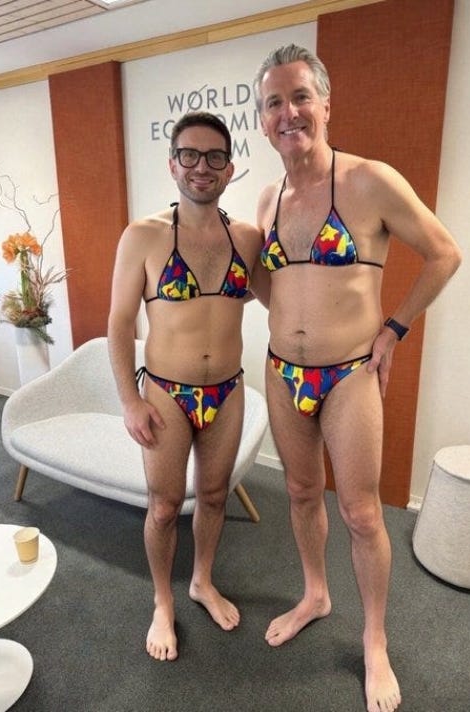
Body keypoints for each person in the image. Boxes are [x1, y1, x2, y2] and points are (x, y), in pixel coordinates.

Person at [252, 44, 461, 712]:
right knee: (300, 492)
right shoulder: (268, 197)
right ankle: (315, 593)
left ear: (325, 104)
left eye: (300, 97)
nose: (288, 113)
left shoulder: (370, 180)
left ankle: (374, 640)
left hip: (349, 375)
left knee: (362, 513)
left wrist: (393, 328)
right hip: (281, 371)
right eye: (274, 103)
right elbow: (267, 282)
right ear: (262, 120)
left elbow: (444, 253)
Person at [107, 111, 262, 662]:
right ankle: (162, 601)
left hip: (228, 390)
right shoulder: (143, 236)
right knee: (165, 506)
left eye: (215, 157)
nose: (202, 167)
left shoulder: (247, 238)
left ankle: (201, 581)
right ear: (173, 164)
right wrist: (130, 401)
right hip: (166, 393)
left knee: (215, 496)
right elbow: (119, 324)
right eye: (189, 155)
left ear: (229, 168)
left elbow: (284, 295)